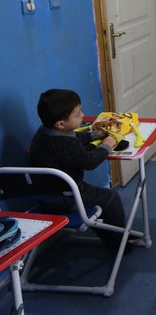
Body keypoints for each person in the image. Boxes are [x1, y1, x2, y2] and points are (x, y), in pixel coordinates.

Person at [28, 88, 127, 248]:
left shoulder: (43, 133)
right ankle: (120, 244)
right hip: (68, 197)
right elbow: (89, 162)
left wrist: (96, 135)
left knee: (101, 198)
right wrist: (107, 145)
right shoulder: (67, 144)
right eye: (78, 114)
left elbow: (73, 137)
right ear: (61, 124)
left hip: (46, 196)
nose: (82, 115)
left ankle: (110, 236)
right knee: (110, 198)